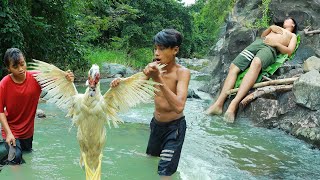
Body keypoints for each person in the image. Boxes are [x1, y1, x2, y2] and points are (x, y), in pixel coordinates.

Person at [110, 29, 191, 179]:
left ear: (175, 50)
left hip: (174, 129)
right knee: (151, 159)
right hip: (156, 125)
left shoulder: (182, 72)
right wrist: (119, 84)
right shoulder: (153, 67)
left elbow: (179, 106)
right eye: (155, 48)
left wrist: (158, 79)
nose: (156, 53)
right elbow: (137, 89)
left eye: (161, 48)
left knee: (164, 172)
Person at [205, 17, 298, 123]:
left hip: (270, 49)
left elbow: (289, 51)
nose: (285, 19)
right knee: (234, 67)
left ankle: (233, 105)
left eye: (289, 19)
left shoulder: (292, 35)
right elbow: (263, 35)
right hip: (258, 43)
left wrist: (276, 44)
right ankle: (218, 104)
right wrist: (271, 28)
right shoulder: (275, 28)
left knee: (256, 63)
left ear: (293, 25)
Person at [0, 48, 74, 165]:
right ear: (9, 69)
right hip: (11, 132)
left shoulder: (37, 78)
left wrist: (67, 77)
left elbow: (60, 79)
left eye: (22, 64)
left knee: (27, 156)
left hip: (27, 133)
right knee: (15, 159)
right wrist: (8, 133)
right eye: (15, 67)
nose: (20, 69)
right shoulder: (4, 84)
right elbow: (0, 111)